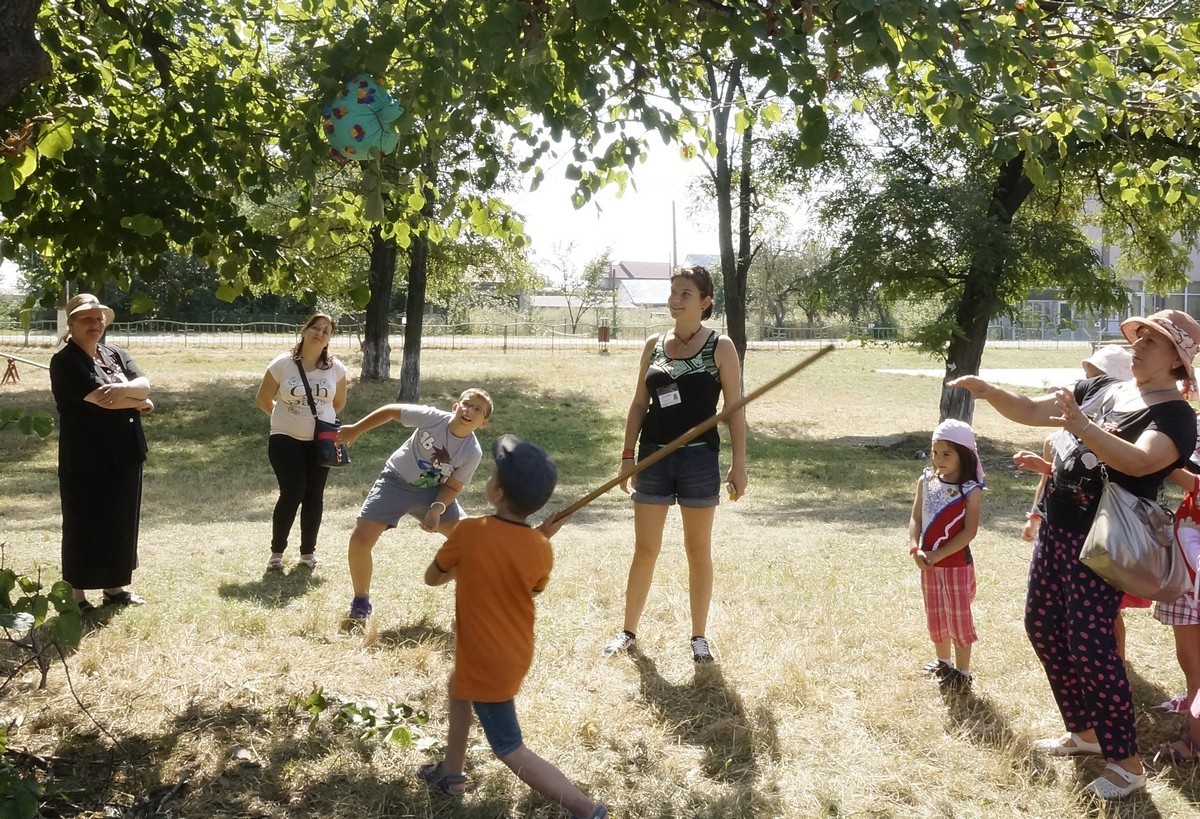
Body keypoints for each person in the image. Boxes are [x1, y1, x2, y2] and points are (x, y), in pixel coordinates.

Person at [949, 308, 1200, 800]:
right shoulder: (1102, 387)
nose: (1137, 344)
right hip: (1057, 530)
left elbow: (1141, 461)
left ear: (1177, 358)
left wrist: (1082, 426)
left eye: (1152, 340)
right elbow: (1031, 409)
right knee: (1042, 626)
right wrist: (990, 391)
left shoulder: (1175, 415)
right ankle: (1085, 733)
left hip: (1104, 543)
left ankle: (1126, 763)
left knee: (1091, 644)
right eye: (1138, 336)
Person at [419, 435, 607, 819]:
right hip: (512, 651)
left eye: (492, 475)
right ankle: (451, 774)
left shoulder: (469, 532)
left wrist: (465, 563)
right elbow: (529, 585)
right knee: (458, 687)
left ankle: (586, 809)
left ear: (497, 493)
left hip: (485, 658)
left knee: (508, 747)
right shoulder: (540, 547)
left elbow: (432, 578)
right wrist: (540, 536)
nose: (489, 479)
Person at [603, 266, 748, 663]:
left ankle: (699, 637)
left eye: (686, 293)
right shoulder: (654, 344)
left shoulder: (720, 346)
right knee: (645, 549)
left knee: (697, 550)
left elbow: (734, 409)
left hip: (699, 459)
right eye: (673, 292)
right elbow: (639, 404)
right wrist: (628, 457)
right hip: (653, 456)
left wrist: (739, 463)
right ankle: (628, 631)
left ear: (705, 302)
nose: (676, 299)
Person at [1013, 344, 1145, 660]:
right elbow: (1059, 478)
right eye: (1088, 376)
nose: (1089, 384)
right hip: (1066, 530)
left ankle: (1115, 660)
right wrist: (1035, 514)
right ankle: (1094, 659)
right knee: (1072, 608)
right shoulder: (1063, 434)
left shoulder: (1120, 430)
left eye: (1098, 377)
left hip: (1104, 532)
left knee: (1106, 612)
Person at [336, 388, 492, 622]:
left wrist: (436, 509)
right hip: (395, 481)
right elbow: (391, 411)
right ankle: (361, 601)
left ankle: (471, 605)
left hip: (433, 492)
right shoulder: (432, 418)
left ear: (484, 422)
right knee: (360, 539)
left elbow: (453, 486)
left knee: (470, 542)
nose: (469, 410)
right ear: (455, 406)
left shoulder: (472, 451)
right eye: (466, 404)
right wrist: (356, 429)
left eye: (478, 409)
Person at [49, 293, 154, 611]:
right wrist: (138, 401)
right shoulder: (65, 362)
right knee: (84, 524)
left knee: (120, 522)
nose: (95, 324)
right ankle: (76, 596)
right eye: (87, 319)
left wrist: (126, 391)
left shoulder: (115, 353)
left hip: (126, 451)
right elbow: (99, 399)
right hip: (86, 457)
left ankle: (114, 589)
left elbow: (145, 384)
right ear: (71, 324)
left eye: (99, 319)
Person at [255, 313, 347, 571]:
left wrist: (318, 419)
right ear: (304, 330)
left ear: (329, 339)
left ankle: (308, 554)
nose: (320, 334)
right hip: (285, 438)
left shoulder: (336, 368)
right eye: (316, 328)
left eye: (326, 331)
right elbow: (263, 399)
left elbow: (338, 403)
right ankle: (276, 553)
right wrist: (285, 417)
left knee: (314, 495)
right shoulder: (282, 363)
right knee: (292, 491)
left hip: (321, 442)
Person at [907, 419, 985, 691]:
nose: (938, 459)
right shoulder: (925, 481)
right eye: (935, 452)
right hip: (929, 565)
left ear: (963, 454)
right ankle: (943, 662)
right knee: (936, 615)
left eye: (946, 454)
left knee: (959, 619)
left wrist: (939, 554)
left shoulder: (970, 490)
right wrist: (915, 547)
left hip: (956, 566)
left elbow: (969, 532)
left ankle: (962, 672)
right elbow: (916, 518)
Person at [1153, 465, 1200, 763]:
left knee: (1195, 669)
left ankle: (1195, 742)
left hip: (1189, 587)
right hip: (1187, 585)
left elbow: (1165, 464)